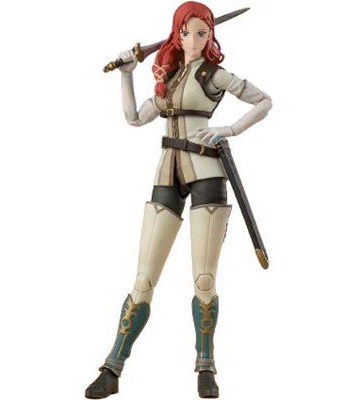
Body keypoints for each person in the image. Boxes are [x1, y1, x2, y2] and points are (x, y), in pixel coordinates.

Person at [85, 2, 272, 398]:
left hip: (207, 173)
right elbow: (134, 118)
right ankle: (112, 367)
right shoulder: (168, 76)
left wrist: (229, 129)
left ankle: (206, 367)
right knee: (143, 278)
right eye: (187, 32)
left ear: (210, 35)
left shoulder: (214, 74)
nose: (194, 39)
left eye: (203, 32)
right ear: (177, 34)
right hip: (166, 173)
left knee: (204, 279)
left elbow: (264, 101)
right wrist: (126, 75)